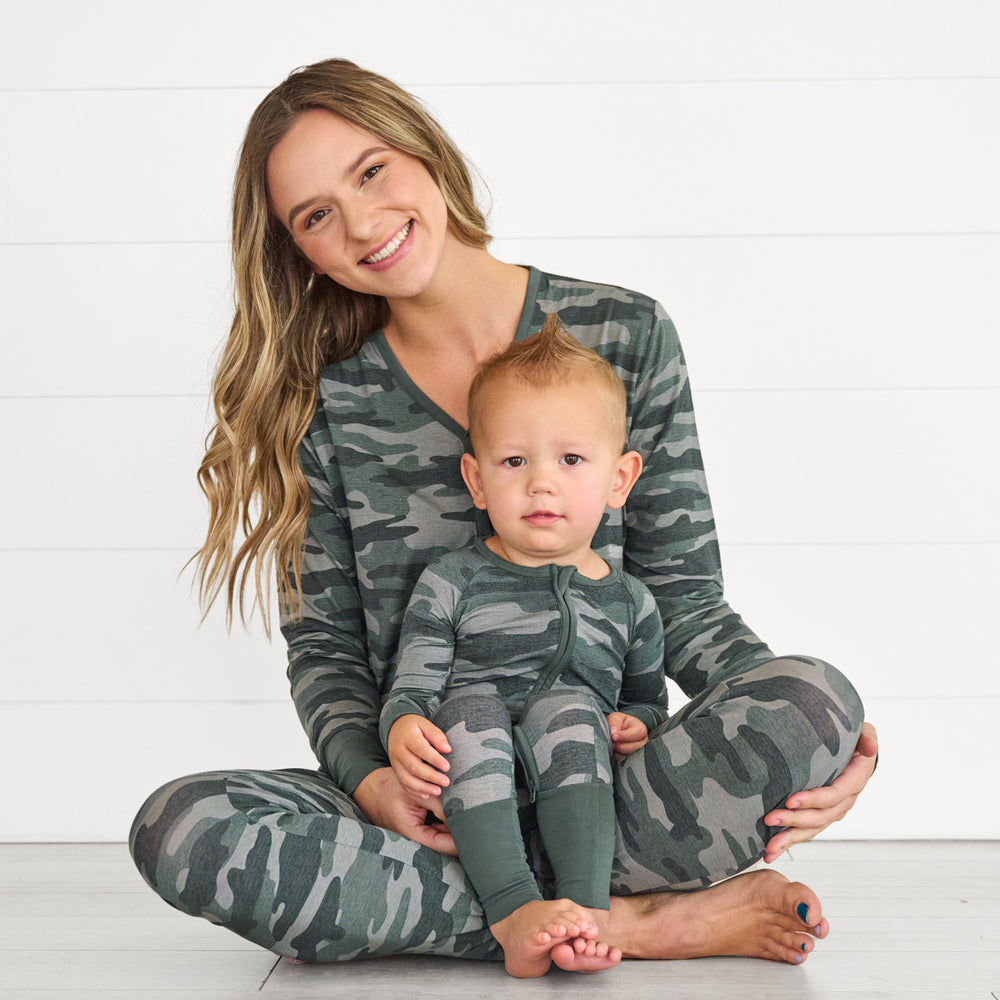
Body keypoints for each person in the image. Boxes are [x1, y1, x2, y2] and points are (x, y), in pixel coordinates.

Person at [128, 57, 878, 972]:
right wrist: (371, 785)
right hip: (438, 802)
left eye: (371, 172)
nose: (362, 224)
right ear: (298, 250)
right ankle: (630, 918)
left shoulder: (625, 335)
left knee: (815, 694)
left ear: (423, 149)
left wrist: (824, 734)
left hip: (604, 778)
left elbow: (682, 594)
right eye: (316, 216)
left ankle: (544, 898)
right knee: (185, 828)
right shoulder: (322, 403)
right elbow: (324, 649)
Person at [381, 317, 669, 976]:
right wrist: (402, 728)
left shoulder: (631, 602)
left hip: (581, 797)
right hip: (476, 806)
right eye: (514, 461)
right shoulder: (451, 582)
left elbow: (649, 702)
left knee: (570, 709)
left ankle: (584, 907)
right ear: (477, 480)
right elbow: (413, 691)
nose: (542, 482)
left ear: (619, 479)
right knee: (473, 711)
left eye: (570, 460)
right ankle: (513, 912)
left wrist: (637, 724)